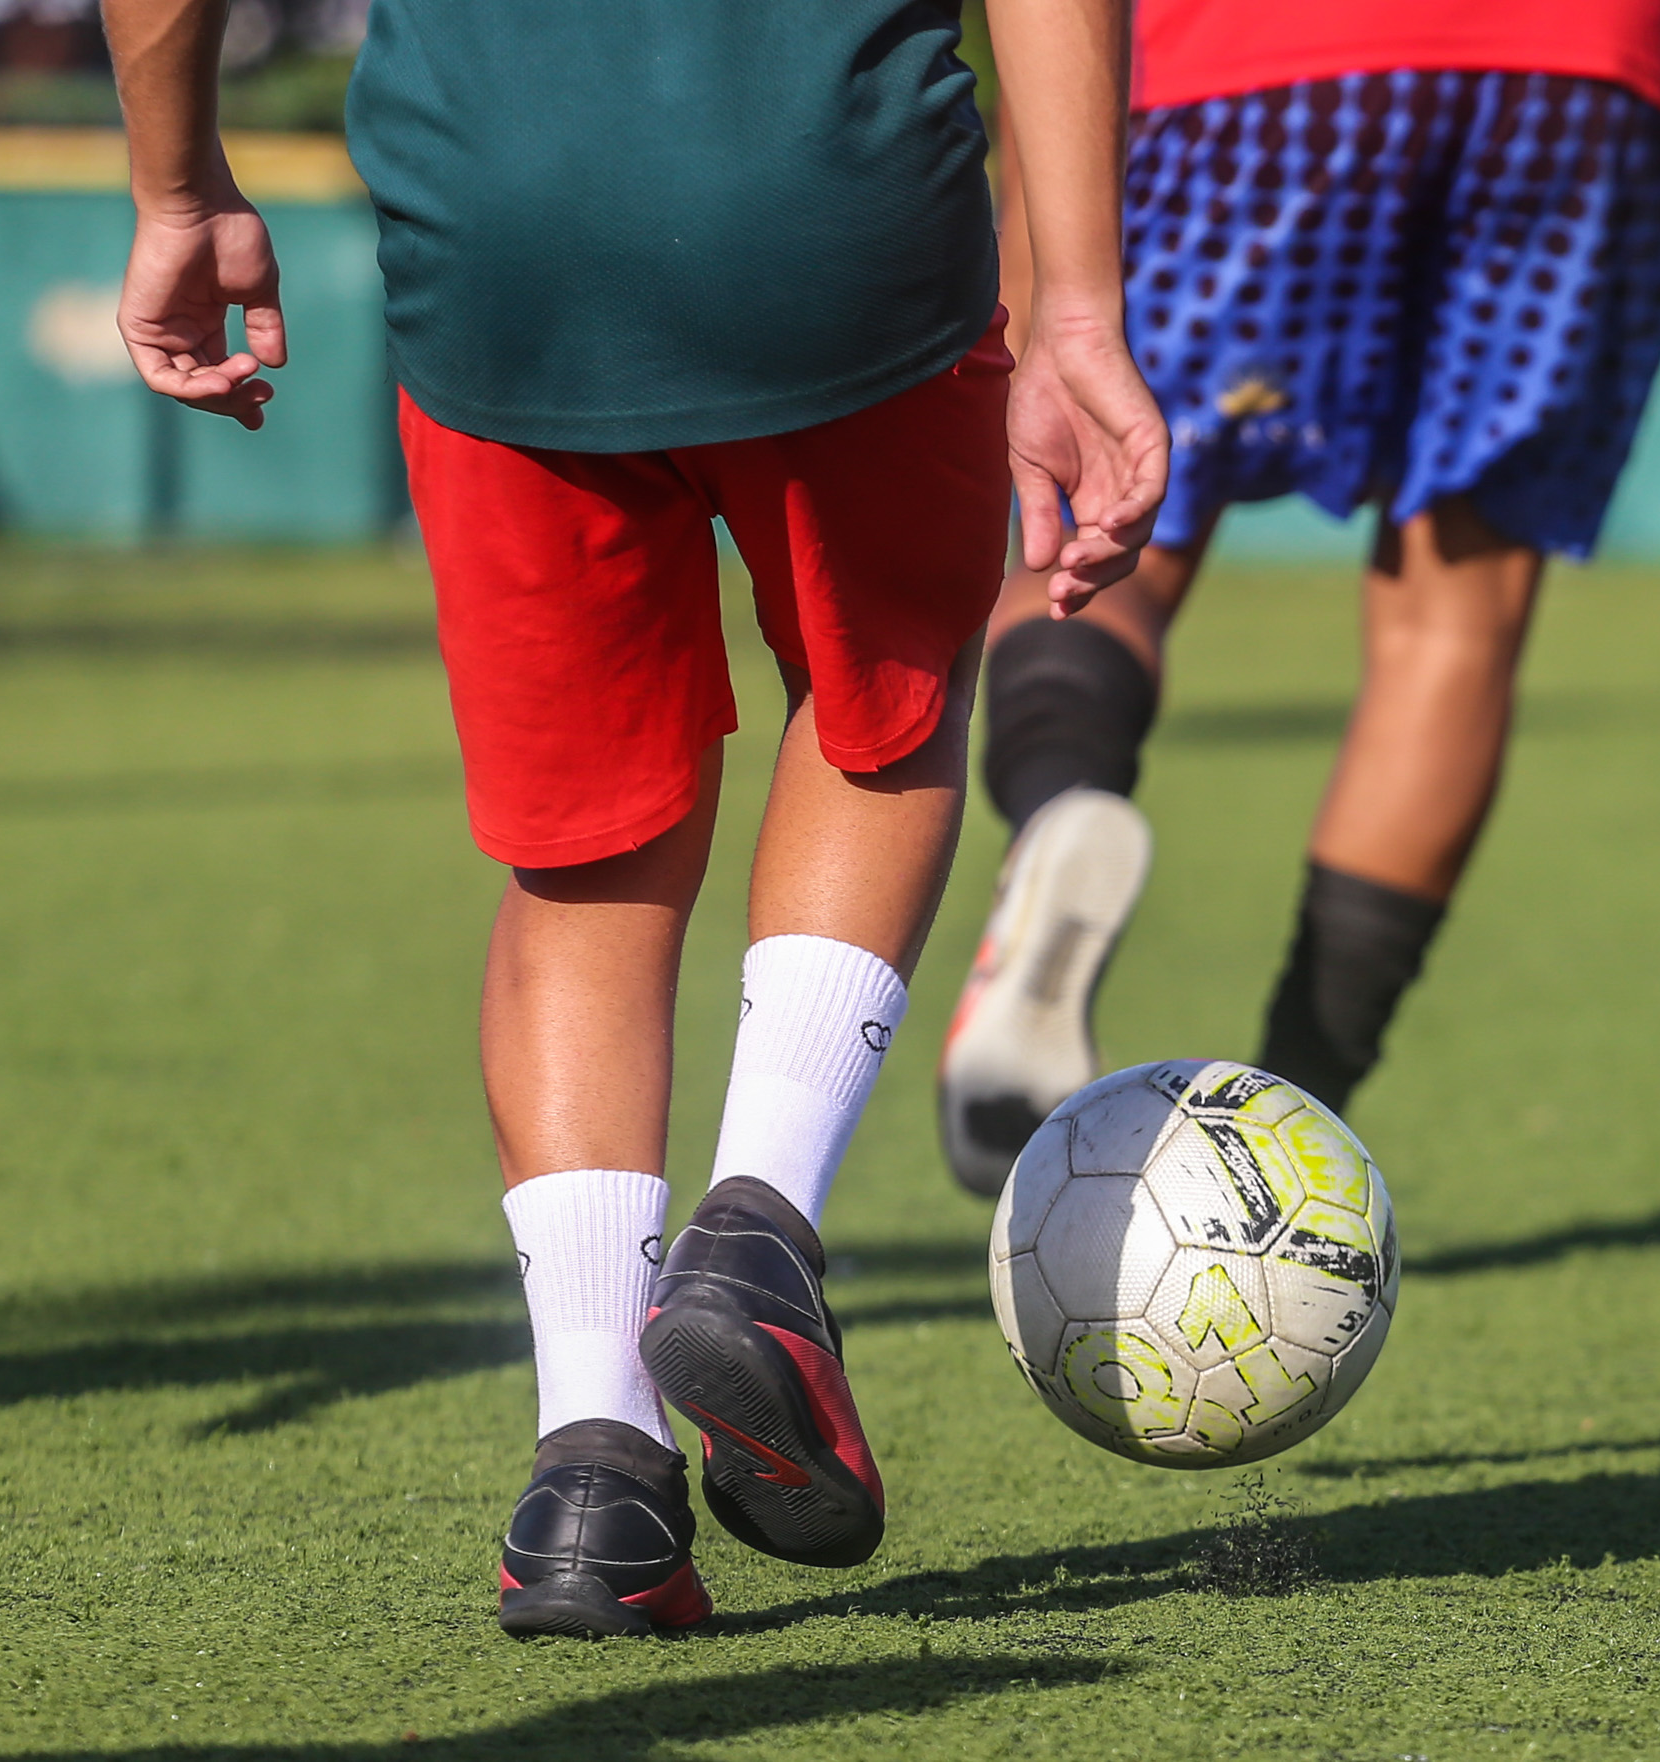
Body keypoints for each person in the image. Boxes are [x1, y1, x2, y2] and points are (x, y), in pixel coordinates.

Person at [101, 0, 1165, 1637]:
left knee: (586, 842)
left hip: (500, 234)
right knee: (877, 696)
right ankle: (757, 1230)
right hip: (836, 202)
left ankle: (591, 1476)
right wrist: (1081, 301)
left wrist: (176, 187)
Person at [937, 0, 1660, 1195]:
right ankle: (1281, 1139)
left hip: (1255, 65)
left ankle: (1064, 805)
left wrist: (1039, 222)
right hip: (1583, 73)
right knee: (1455, 621)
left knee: (1099, 541)